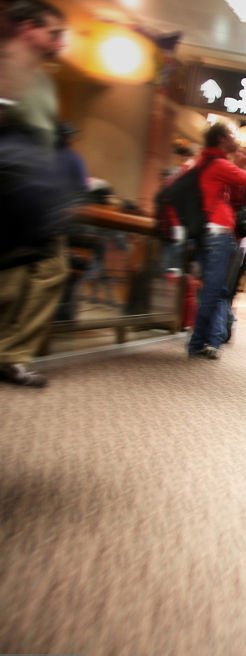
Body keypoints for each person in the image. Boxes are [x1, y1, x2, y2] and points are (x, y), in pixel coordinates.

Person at [0, 0, 70, 388]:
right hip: (9, 188)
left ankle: (11, 353)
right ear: (28, 27)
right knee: (11, 276)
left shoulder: (41, 80)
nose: (59, 43)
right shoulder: (6, 65)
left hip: (35, 191)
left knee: (48, 270)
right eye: (53, 33)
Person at [187, 121, 246, 359]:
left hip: (205, 231)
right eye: (232, 135)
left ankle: (203, 340)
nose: (236, 139)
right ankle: (199, 342)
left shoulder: (205, 162)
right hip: (219, 232)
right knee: (215, 290)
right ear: (222, 139)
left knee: (211, 289)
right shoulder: (219, 165)